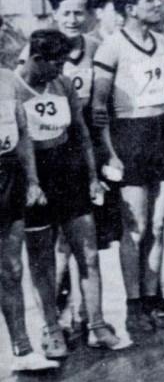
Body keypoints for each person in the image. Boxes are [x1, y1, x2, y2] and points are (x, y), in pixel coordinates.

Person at [18, 29, 132, 355]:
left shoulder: (63, 84)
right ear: (37, 59)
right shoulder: (13, 86)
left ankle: (97, 325)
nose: (61, 69)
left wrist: (93, 177)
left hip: (68, 174)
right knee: (43, 261)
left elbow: (81, 134)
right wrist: (30, 183)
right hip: (34, 178)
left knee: (89, 254)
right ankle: (52, 330)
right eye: (56, 63)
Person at [92, 0, 164, 332]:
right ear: (130, 9)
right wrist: (110, 155)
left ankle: (151, 301)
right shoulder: (111, 48)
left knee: (158, 227)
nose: (157, 4)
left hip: (162, 135)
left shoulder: (161, 42)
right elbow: (99, 109)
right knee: (136, 228)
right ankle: (133, 306)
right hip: (130, 138)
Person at [0, 66, 59, 371]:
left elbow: (23, 134)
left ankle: (22, 350)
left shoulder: (8, 79)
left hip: (8, 174)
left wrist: (33, 180)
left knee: (11, 268)